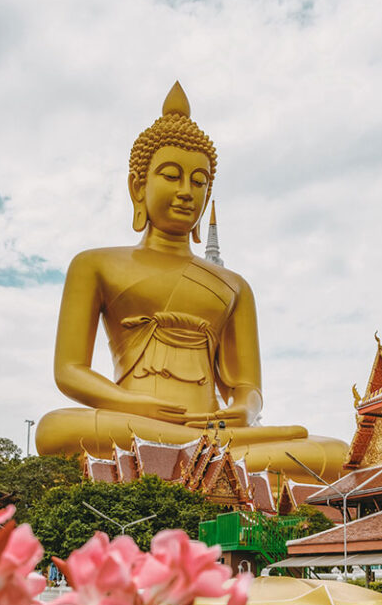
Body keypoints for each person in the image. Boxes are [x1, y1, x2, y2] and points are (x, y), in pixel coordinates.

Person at [35, 82, 346, 484]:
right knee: (54, 428)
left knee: (330, 451)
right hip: (134, 421)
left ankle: (194, 459)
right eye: (171, 175)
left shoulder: (234, 285)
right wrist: (133, 405)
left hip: (215, 432)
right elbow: (70, 370)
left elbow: (247, 387)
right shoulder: (95, 264)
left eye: (199, 181)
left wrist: (244, 411)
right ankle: (201, 463)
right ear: (138, 186)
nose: (186, 192)